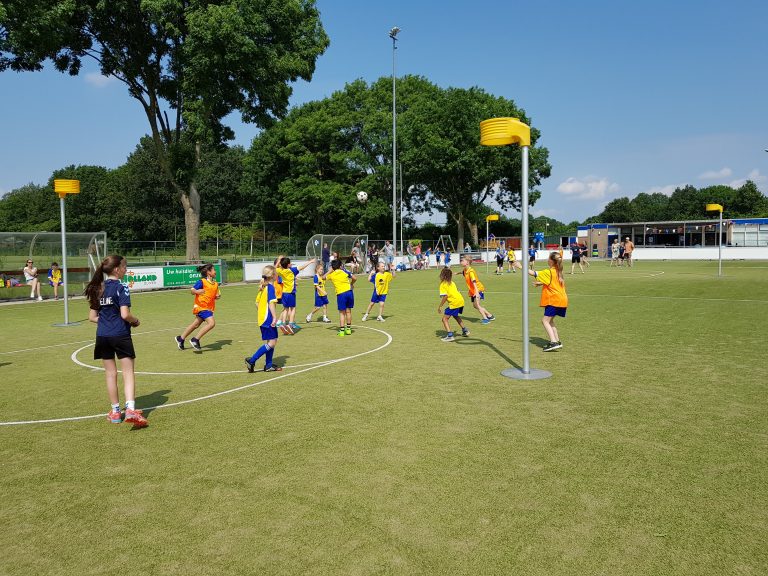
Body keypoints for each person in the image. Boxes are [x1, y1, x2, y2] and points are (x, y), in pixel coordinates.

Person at [84, 255, 147, 427]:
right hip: (120, 335)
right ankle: (131, 409)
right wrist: (135, 321)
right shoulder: (122, 287)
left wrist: (107, 321)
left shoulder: (99, 288)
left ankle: (115, 412)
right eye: (125, 267)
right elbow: (125, 314)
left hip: (102, 336)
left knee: (110, 374)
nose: (126, 270)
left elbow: (92, 317)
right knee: (127, 372)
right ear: (117, 269)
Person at [514, 251, 567, 351]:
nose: (547, 260)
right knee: (550, 321)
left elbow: (532, 273)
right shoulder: (558, 270)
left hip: (554, 300)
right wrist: (542, 283)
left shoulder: (549, 271)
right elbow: (553, 283)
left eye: (549, 258)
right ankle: (557, 340)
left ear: (551, 261)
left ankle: (554, 342)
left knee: (545, 321)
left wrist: (520, 266)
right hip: (561, 299)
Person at [175, 263, 221, 351]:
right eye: (214, 270)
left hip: (209, 308)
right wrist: (197, 291)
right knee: (211, 323)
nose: (215, 271)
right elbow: (192, 290)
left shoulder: (215, 284)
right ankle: (195, 339)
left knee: (195, 325)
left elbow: (212, 295)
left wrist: (216, 297)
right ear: (208, 272)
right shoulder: (202, 282)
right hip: (201, 307)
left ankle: (181, 339)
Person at [245, 265, 282, 372]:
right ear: (273, 275)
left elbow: (256, 303)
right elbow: (271, 303)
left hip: (263, 318)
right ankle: (252, 360)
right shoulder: (270, 287)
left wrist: (262, 312)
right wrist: (274, 317)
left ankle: (269, 365)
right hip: (268, 319)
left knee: (272, 340)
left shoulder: (263, 287)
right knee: (272, 343)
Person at [277, 256, 316, 333]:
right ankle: (290, 324)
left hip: (284, 293)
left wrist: (279, 260)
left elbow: (274, 268)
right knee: (293, 308)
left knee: (285, 309)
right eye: (290, 263)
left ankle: (284, 324)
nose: (291, 264)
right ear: (288, 265)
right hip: (291, 293)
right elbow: (302, 267)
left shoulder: (280, 271)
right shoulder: (292, 270)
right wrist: (310, 262)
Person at [324, 259, 356, 337]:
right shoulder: (345, 271)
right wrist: (351, 284)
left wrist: (330, 271)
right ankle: (348, 329)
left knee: (342, 313)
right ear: (340, 265)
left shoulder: (332, 275)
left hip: (341, 294)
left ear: (332, 267)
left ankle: (342, 331)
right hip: (349, 292)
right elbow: (355, 278)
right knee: (348, 311)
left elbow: (323, 277)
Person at [460, 254, 494, 324]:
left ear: (467, 262)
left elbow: (474, 281)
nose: (461, 261)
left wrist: (477, 292)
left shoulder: (471, 271)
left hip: (477, 289)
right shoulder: (465, 270)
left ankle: (485, 319)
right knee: (475, 305)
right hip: (473, 291)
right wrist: (457, 273)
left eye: (462, 260)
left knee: (477, 305)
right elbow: (463, 272)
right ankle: (490, 315)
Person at [437, 267, 469, 342]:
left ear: (442, 275)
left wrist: (440, 306)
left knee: (444, 319)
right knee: (455, 315)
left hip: (454, 302)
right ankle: (465, 331)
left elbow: (445, 296)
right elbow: (457, 291)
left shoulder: (443, 284)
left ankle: (450, 336)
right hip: (460, 300)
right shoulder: (452, 282)